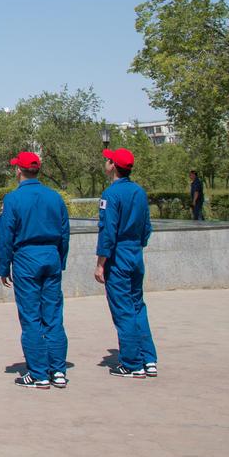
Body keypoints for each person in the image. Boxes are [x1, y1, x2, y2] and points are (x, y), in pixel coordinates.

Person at [0, 151, 70, 389]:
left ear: (18, 170)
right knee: (54, 316)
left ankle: (38, 373)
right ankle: (58, 370)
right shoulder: (54, 197)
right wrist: (60, 260)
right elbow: (64, 232)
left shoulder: (13, 199)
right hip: (51, 256)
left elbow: (6, 235)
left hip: (27, 259)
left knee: (31, 317)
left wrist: (3, 266)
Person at [97, 148, 158, 378]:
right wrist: (136, 246)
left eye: (107, 160)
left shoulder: (111, 194)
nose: (105, 162)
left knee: (123, 309)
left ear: (113, 165)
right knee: (137, 306)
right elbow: (146, 227)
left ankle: (132, 363)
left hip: (118, 256)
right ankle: (148, 359)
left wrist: (101, 263)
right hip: (135, 253)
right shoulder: (139, 192)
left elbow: (108, 232)